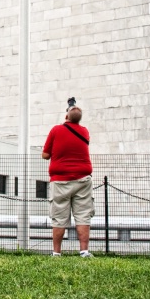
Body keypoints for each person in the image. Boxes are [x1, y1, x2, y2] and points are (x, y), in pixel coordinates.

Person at [42, 102, 94, 258]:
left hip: (60, 180)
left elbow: (45, 155)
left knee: (59, 216)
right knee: (83, 215)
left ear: (66, 116)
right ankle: (84, 251)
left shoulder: (56, 130)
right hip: (83, 180)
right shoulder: (84, 132)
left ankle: (56, 252)